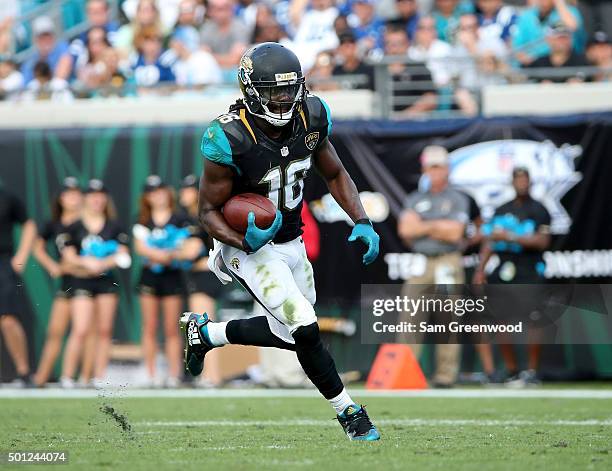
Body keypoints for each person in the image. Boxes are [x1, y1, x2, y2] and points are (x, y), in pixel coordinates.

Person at [182, 42, 381, 440]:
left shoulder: (312, 115)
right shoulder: (229, 135)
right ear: (252, 90)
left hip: (292, 239)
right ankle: (350, 413)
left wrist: (361, 219)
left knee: (288, 334)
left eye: (290, 89)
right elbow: (206, 212)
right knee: (305, 327)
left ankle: (206, 335)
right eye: (274, 91)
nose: (285, 98)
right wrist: (242, 238)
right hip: (245, 247)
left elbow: (336, 173)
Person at [397, 145, 470, 388]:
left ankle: (445, 376)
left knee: (448, 318)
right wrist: (439, 226)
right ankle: (405, 373)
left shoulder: (457, 198)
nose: (435, 172)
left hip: (448, 260)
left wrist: (424, 225)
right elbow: (406, 230)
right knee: (410, 317)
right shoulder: (416, 198)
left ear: (447, 169)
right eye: (431, 167)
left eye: (439, 167)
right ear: (424, 169)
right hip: (421, 261)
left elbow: (456, 232)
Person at [473, 167, 552, 387]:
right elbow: (489, 241)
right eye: (518, 179)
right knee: (500, 320)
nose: (522, 183)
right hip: (505, 269)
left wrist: (509, 236)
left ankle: (531, 371)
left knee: (534, 320)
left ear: (530, 182)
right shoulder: (501, 210)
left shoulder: (539, 210)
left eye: (525, 179)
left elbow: (542, 242)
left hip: (529, 268)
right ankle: (512, 370)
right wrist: (481, 269)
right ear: (512, 182)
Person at [59, 179, 130, 388]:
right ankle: (67, 376)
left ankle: (97, 376)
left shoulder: (115, 225)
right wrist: (86, 262)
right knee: (80, 329)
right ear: (85, 199)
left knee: (105, 330)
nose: (97, 200)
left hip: (106, 281)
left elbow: (123, 253)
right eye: (92, 195)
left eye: (100, 196)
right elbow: (68, 256)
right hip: (81, 281)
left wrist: (102, 263)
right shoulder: (74, 226)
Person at [134, 175, 202, 387]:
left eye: (161, 191)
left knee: (172, 328)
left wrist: (167, 254)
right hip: (150, 277)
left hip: (172, 276)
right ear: (147, 197)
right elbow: (140, 247)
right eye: (152, 192)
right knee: (150, 326)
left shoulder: (180, 218)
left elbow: (189, 247)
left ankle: (173, 374)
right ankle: (150, 372)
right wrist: (164, 254)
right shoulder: (142, 219)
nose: (158, 196)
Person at [32, 177, 89, 387]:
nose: (73, 198)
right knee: (55, 331)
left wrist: (72, 264)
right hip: (66, 281)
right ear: (60, 199)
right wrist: (52, 266)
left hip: (86, 281)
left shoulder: (86, 222)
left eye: (76, 193)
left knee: (83, 330)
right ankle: (41, 377)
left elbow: (84, 257)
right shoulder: (53, 223)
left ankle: (75, 377)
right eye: (68, 194)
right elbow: (37, 247)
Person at [179, 174, 222, 386]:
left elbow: (191, 252)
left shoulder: (199, 217)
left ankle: (211, 377)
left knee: (203, 327)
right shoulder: (195, 216)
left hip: (204, 276)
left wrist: (169, 252)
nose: (184, 194)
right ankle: (210, 376)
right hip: (200, 275)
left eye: (189, 189)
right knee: (202, 326)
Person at [0, 186, 37, 386]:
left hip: (3, 264)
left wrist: (21, 258)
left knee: (7, 319)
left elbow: (29, 225)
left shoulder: (7, 196)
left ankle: (23, 372)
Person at [384, 25, 438, 115]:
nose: (395, 49)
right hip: (381, 122)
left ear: (407, 44)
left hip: (413, 122)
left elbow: (431, 99)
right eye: (390, 44)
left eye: (399, 43)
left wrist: (405, 116)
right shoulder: (377, 70)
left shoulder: (418, 67)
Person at [512, 0, 585, 66]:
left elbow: (572, 27)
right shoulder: (527, 15)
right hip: (535, 65)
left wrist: (559, 3)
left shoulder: (567, 11)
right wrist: (524, 57)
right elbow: (517, 46)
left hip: (567, 63)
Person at [199, 0, 249, 73]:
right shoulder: (206, 28)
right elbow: (203, 57)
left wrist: (211, 58)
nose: (219, 13)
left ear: (230, 9)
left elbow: (234, 60)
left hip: (234, 72)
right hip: (212, 71)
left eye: (222, 9)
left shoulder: (240, 27)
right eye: (214, 8)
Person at [20, 16, 73, 84]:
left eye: (48, 35)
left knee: (59, 84)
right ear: (36, 39)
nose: (45, 40)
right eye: (41, 37)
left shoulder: (61, 47)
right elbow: (25, 84)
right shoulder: (31, 58)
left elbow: (62, 75)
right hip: (38, 92)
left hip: (58, 90)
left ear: (53, 36)